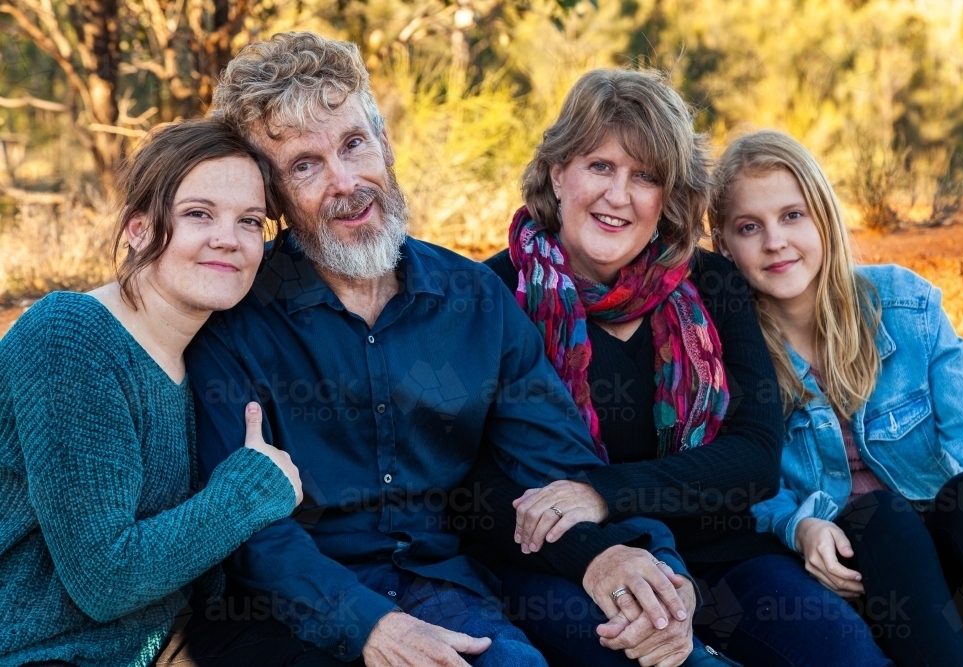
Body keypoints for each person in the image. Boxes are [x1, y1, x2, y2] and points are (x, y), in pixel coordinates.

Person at [185, 31, 700, 667]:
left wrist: (650, 563)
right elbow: (253, 533)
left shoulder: (475, 299)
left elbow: (558, 463)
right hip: (290, 610)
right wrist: (372, 628)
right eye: (305, 166)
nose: (346, 182)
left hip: (446, 587)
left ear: (385, 144)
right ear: (272, 197)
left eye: (354, 144)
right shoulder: (234, 317)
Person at [474, 70, 892, 667]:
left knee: (847, 656)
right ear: (557, 172)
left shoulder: (712, 283)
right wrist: (594, 549)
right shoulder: (492, 294)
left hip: (723, 557)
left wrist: (602, 492)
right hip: (571, 565)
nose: (619, 195)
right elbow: (474, 485)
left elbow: (754, 458)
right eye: (600, 166)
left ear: (668, 197)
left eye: (645, 176)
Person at [0, 119, 304, 667]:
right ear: (138, 229)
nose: (228, 238)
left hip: (160, 637)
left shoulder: (204, 351)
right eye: (199, 214)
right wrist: (249, 493)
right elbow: (105, 580)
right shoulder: (71, 337)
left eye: (249, 221)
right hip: (43, 651)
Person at [708, 128, 963, 666]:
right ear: (724, 244)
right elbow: (743, 481)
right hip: (844, 584)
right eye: (750, 227)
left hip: (945, 583)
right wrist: (800, 526)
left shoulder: (904, 305)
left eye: (792, 215)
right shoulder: (727, 351)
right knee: (879, 516)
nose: (775, 241)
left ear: (823, 216)